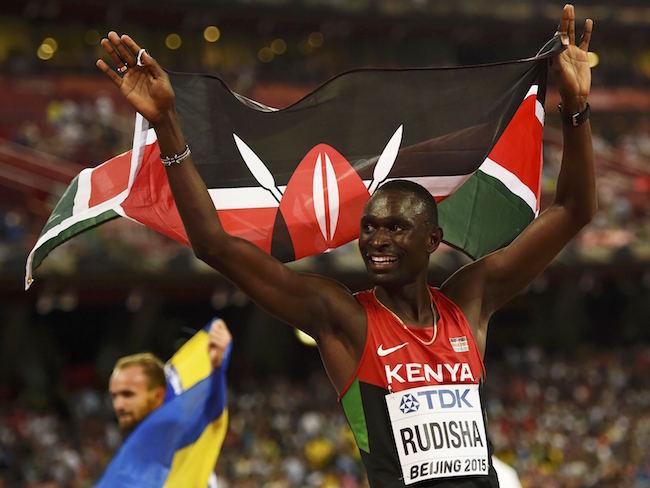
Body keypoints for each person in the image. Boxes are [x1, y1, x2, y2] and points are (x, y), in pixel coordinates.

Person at [96, 4, 595, 486]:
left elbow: (572, 210)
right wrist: (166, 125)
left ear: (433, 239)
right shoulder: (343, 319)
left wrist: (575, 109)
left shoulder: (470, 302)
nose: (376, 239)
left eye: (396, 228)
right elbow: (214, 246)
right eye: (370, 227)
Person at [105, 318, 232, 487]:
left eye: (128, 395)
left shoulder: (179, 428)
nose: (119, 405)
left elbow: (212, 409)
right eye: (115, 396)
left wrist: (217, 370)